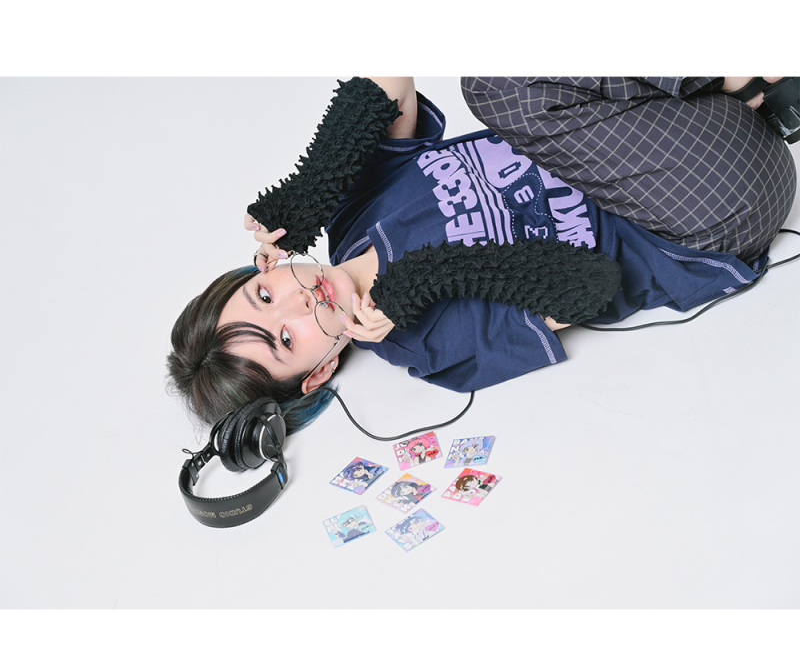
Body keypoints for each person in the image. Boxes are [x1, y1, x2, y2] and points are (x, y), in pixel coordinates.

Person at [166, 77, 797, 434]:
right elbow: (592, 286)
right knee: (495, 82)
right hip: (703, 213)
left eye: (265, 296)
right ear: (318, 372)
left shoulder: (350, 215)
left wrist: (312, 185)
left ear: (265, 266)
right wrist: (422, 279)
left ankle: (748, 83)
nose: (298, 303)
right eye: (285, 339)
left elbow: (393, 76)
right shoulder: (427, 348)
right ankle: (746, 76)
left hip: (687, 123)